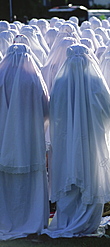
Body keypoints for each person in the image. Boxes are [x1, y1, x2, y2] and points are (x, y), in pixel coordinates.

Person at [43, 44, 110, 238]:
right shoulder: (95, 81)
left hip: (67, 141)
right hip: (91, 141)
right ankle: (87, 222)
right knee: (90, 175)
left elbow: (54, 112)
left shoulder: (61, 81)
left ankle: (68, 220)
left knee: (69, 175)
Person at [0, 43, 49, 240]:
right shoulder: (33, 78)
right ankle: (31, 218)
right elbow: (46, 109)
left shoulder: (1, 77)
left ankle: (6, 218)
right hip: (29, 139)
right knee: (30, 181)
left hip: (3, 139)